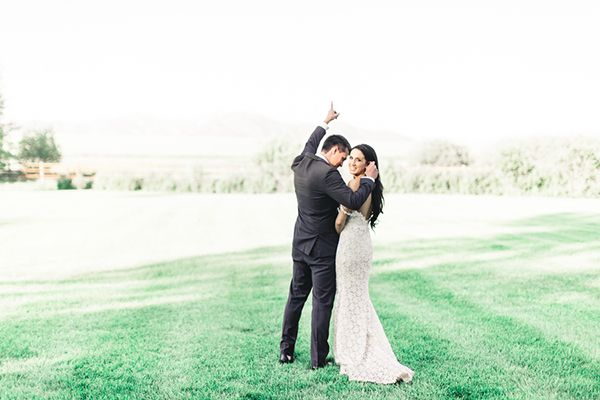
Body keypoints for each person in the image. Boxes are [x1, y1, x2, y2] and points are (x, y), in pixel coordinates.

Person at [279, 103, 379, 369]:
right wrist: (369, 180)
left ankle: (285, 350)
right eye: (344, 156)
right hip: (322, 248)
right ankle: (317, 359)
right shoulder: (329, 175)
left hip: (300, 243)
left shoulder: (302, 162)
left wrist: (325, 122)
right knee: (322, 303)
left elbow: (310, 143)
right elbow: (353, 199)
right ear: (334, 151)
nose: (345, 162)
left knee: (296, 297)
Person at [333, 144, 414, 384]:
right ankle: (363, 343)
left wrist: (337, 218)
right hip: (363, 245)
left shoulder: (355, 184)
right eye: (351, 158)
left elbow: (339, 224)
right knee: (359, 296)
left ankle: (352, 349)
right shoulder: (373, 188)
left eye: (358, 160)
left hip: (349, 245)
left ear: (368, 164)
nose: (352, 163)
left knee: (348, 296)